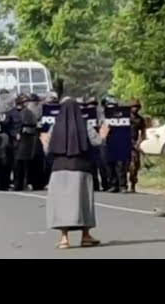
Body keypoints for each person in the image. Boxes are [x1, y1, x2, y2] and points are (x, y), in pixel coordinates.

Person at [45, 98, 110, 249]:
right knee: (83, 202)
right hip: (81, 167)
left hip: (59, 169)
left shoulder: (55, 125)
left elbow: (48, 149)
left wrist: (43, 143)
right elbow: (96, 142)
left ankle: (64, 239)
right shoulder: (85, 124)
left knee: (61, 204)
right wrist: (104, 134)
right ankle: (85, 236)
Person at [128, 99, 146, 193]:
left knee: (134, 166)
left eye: (136, 107)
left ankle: (133, 185)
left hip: (134, 144)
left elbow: (143, 134)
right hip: (124, 143)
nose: (134, 109)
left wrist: (138, 143)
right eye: (133, 107)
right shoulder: (125, 118)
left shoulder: (140, 120)